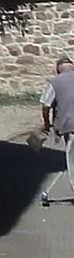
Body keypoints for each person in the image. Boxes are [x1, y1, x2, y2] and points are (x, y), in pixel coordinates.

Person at [40, 56, 74, 208]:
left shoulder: (55, 83)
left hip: (70, 125)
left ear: (58, 69)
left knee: (72, 160)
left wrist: (47, 124)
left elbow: (46, 105)